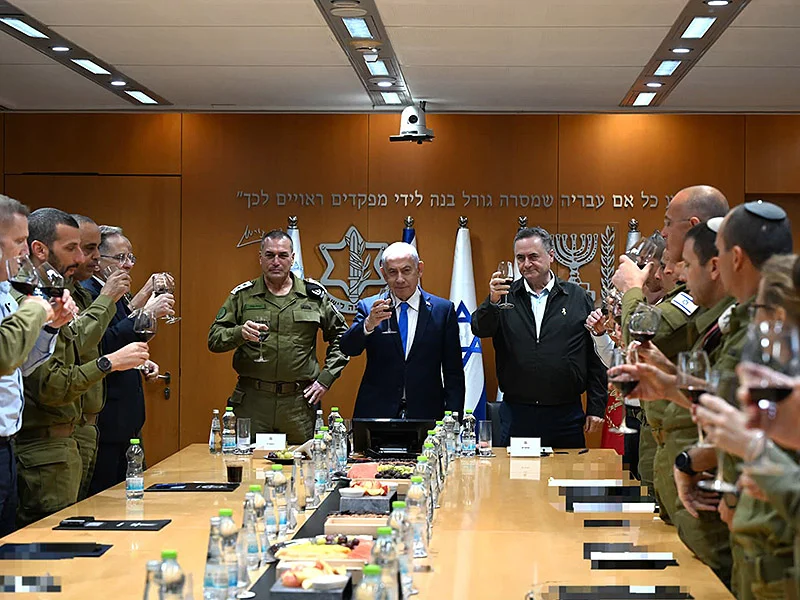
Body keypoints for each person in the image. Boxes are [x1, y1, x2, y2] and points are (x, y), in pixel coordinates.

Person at [613, 201, 793, 599]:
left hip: (775, 524)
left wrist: (706, 464)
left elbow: (748, 416)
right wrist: (666, 383)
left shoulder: (775, 325)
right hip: (751, 507)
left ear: (734, 258)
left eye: (715, 256)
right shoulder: (755, 316)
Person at [15, 209, 149, 525]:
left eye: (85, 248)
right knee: (46, 546)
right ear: (39, 249)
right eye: (76, 248)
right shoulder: (32, 297)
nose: (85, 258)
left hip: (77, 431)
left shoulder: (66, 292)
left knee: (81, 533)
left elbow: (79, 345)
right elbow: (52, 382)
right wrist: (109, 362)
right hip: (43, 441)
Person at [611, 184, 728, 523]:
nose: (662, 232)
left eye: (667, 222)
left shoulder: (705, 292)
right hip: (669, 440)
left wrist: (632, 288)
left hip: (695, 449)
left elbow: (647, 330)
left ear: (692, 226)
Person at [471, 226, 607, 448]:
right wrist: (492, 302)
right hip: (518, 414)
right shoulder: (505, 297)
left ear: (551, 256)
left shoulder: (576, 297)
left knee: (567, 481)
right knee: (518, 480)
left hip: (565, 413)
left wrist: (596, 406)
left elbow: (595, 356)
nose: (526, 264)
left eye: (533, 256)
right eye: (520, 258)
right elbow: (479, 328)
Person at [208, 229, 349, 444]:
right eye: (269, 255)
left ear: (293, 258)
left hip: (298, 404)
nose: (276, 261)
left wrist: (325, 379)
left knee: (303, 467)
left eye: (283, 255)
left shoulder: (313, 296)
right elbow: (214, 339)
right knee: (246, 466)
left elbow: (342, 337)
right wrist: (239, 333)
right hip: (253, 402)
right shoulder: (242, 296)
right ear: (260, 257)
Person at [0, 196, 74, 536]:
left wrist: (50, 326)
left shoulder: (4, 291)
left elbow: (19, 364)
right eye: (17, 242)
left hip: (8, 445)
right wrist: (36, 308)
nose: (23, 252)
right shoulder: (19, 296)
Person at [84, 225, 169, 495]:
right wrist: (145, 314)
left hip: (127, 417)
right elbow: (100, 344)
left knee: (131, 493)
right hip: (107, 415)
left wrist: (139, 360)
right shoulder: (90, 293)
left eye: (131, 257)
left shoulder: (116, 291)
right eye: (120, 258)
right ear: (98, 262)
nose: (129, 264)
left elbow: (121, 334)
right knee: (105, 498)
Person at [340, 242, 465, 419]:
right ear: (384, 273)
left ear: (419, 269)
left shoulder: (442, 310)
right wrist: (368, 324)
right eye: (392, 272)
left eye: (406, 271)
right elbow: (348, 348)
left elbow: (453, 373)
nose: (399, 279)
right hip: (377, 411)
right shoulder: (369, 307)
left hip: (427, 412)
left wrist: (453, 417)